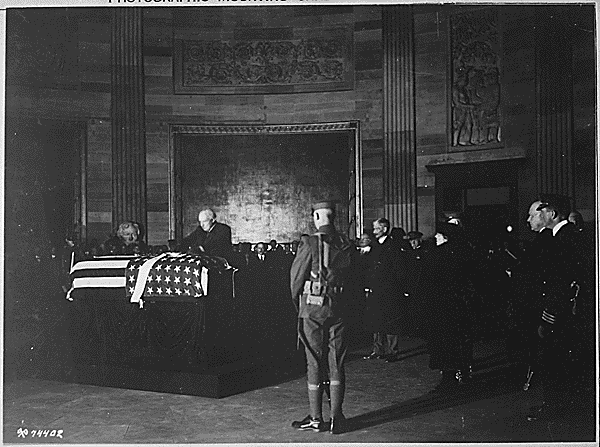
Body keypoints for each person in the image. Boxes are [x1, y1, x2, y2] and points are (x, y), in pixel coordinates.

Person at [290, 201, 355, 434]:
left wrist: (299, 304)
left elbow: (296, 280)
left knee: (315, 360)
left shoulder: (308, 242)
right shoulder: (347, 244)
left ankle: (316, 418)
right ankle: (337, 417)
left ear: (317, 217)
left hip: (314, 310)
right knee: (337, 361)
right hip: (340, 308)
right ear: (333, 218)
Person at [526, 194, 583, 422]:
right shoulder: (565, 236)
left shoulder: (563, 239)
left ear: (552, 213)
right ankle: (557, 407)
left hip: (559, 314)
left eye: (543, 210)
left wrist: (547, 318)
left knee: (555, 362)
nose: (541, 215)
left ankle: (555, 410)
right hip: (563, 311)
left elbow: (559, 283)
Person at [418, 221, 474, 391]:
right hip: (461, 305)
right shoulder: (466, 253)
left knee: (444, 342)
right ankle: (464, 371)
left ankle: (448, 376)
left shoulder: (437, 255)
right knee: (461, 340)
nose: (435, 237)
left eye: (439, 234)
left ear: (445, 237)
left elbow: (426, 281)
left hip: (441, 306)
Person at [403, 231, 429, 337]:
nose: (412, 243)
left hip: (421, 286)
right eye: (411, 241)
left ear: (420, 240)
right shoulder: (407, 253)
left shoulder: (425, 252)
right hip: (411, 286)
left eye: (414, 240)